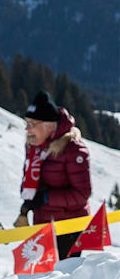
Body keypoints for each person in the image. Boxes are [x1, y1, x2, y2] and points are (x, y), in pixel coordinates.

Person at [13, 90, 91, 259]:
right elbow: (28, 178)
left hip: (69, 227)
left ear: (49, 125)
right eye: (27, 123)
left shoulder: (72, 149)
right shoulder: (34, 147)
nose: (27, 129)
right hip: (43, 224)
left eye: (32, 124)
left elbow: (82, 194)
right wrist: (29, 201)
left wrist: (46, 198)